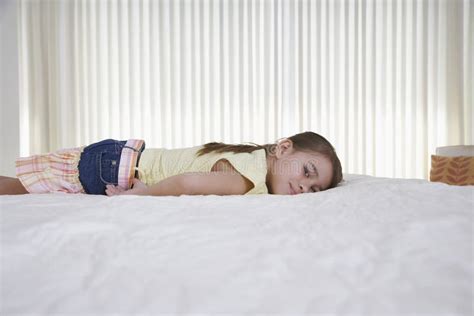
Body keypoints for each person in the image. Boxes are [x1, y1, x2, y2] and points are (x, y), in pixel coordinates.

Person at [0, 131, 343, 196]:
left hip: (118, 155)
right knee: (22, 190)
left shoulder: (250, 157)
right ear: (283, 148)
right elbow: (187, 183)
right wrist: (141, 195)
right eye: (307, 172)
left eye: (314, 189)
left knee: (24, 188)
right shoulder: (247, 178)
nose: (304, 187)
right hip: (117, 169)